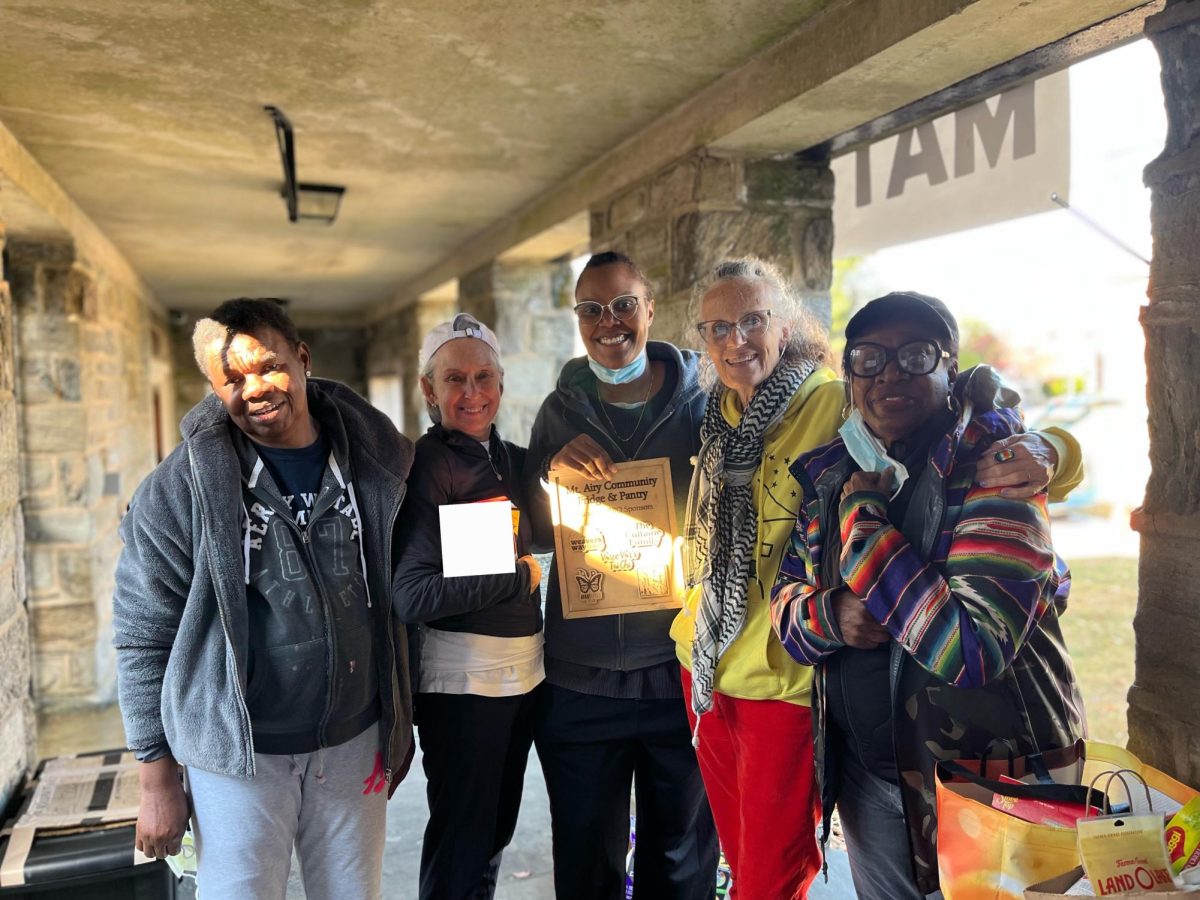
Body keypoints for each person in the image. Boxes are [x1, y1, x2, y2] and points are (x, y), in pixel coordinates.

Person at [671, 260, 1082, 899]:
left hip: (989, 783)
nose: (891, 374)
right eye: (870, 358)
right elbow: (791, 598)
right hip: (864, 773)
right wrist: (831, 614)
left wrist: (1053, 447)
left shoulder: (991, 471)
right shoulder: (826, 463)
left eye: (916, 356)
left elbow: (967, 651)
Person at [113, 298, 414, 899]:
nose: (254, 388)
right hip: (238, 756)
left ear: (302, 359)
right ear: (213, 387)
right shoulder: (177, 491)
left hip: (354, 741)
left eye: (267, 366)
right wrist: (156, 779)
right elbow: (143, 633)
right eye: (232, 378)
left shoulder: (379, 462)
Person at [524, 251, 719, 900]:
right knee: (585, 864)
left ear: (650, 307)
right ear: (577, 320)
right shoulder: (559, 408)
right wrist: (551, 472)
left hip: (680, 674)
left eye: (623, 304)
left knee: (681, 863)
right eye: (590, 309)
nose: (609, 322)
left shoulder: (706, 402)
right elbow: (532, 526)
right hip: (582, 683)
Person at [393, 313, 544, 900]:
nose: (472, 392)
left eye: (484, 377)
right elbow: (414, 593)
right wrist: (514, 578)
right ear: (429, 390)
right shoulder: (431, 466)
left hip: (519, 678)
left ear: (501, 385)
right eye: (455, 379)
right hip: (463, 689)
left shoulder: (507, 457)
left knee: (492, 834)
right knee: (463, 841)